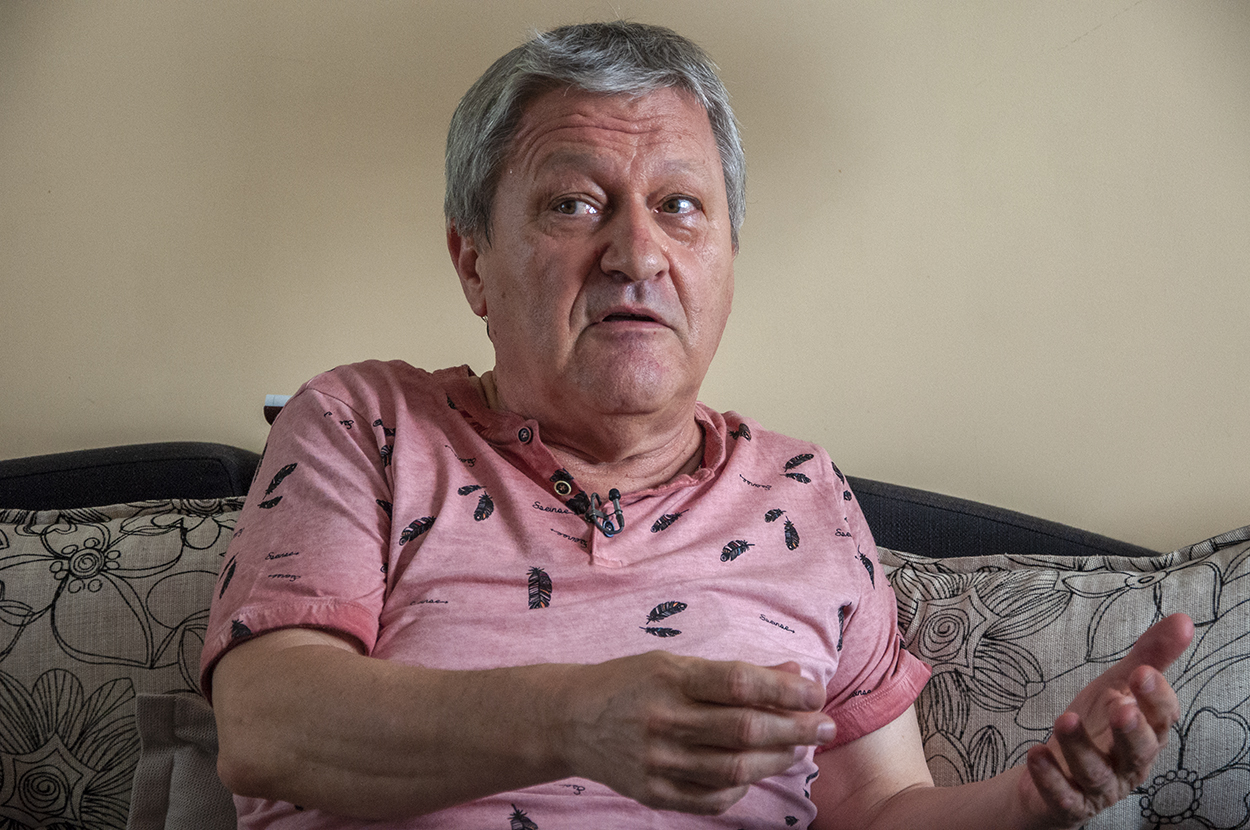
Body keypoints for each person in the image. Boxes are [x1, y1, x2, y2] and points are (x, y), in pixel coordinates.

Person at [202, 21, 1194, 830]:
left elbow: (877, 807)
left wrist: (1028, 803)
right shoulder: (363, 424)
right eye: (573, 204)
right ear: (474, 264)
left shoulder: (802, 494)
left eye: (679, 205)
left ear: (726, 256)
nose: (636, 252)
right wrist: (572, 719)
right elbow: (267, 723)